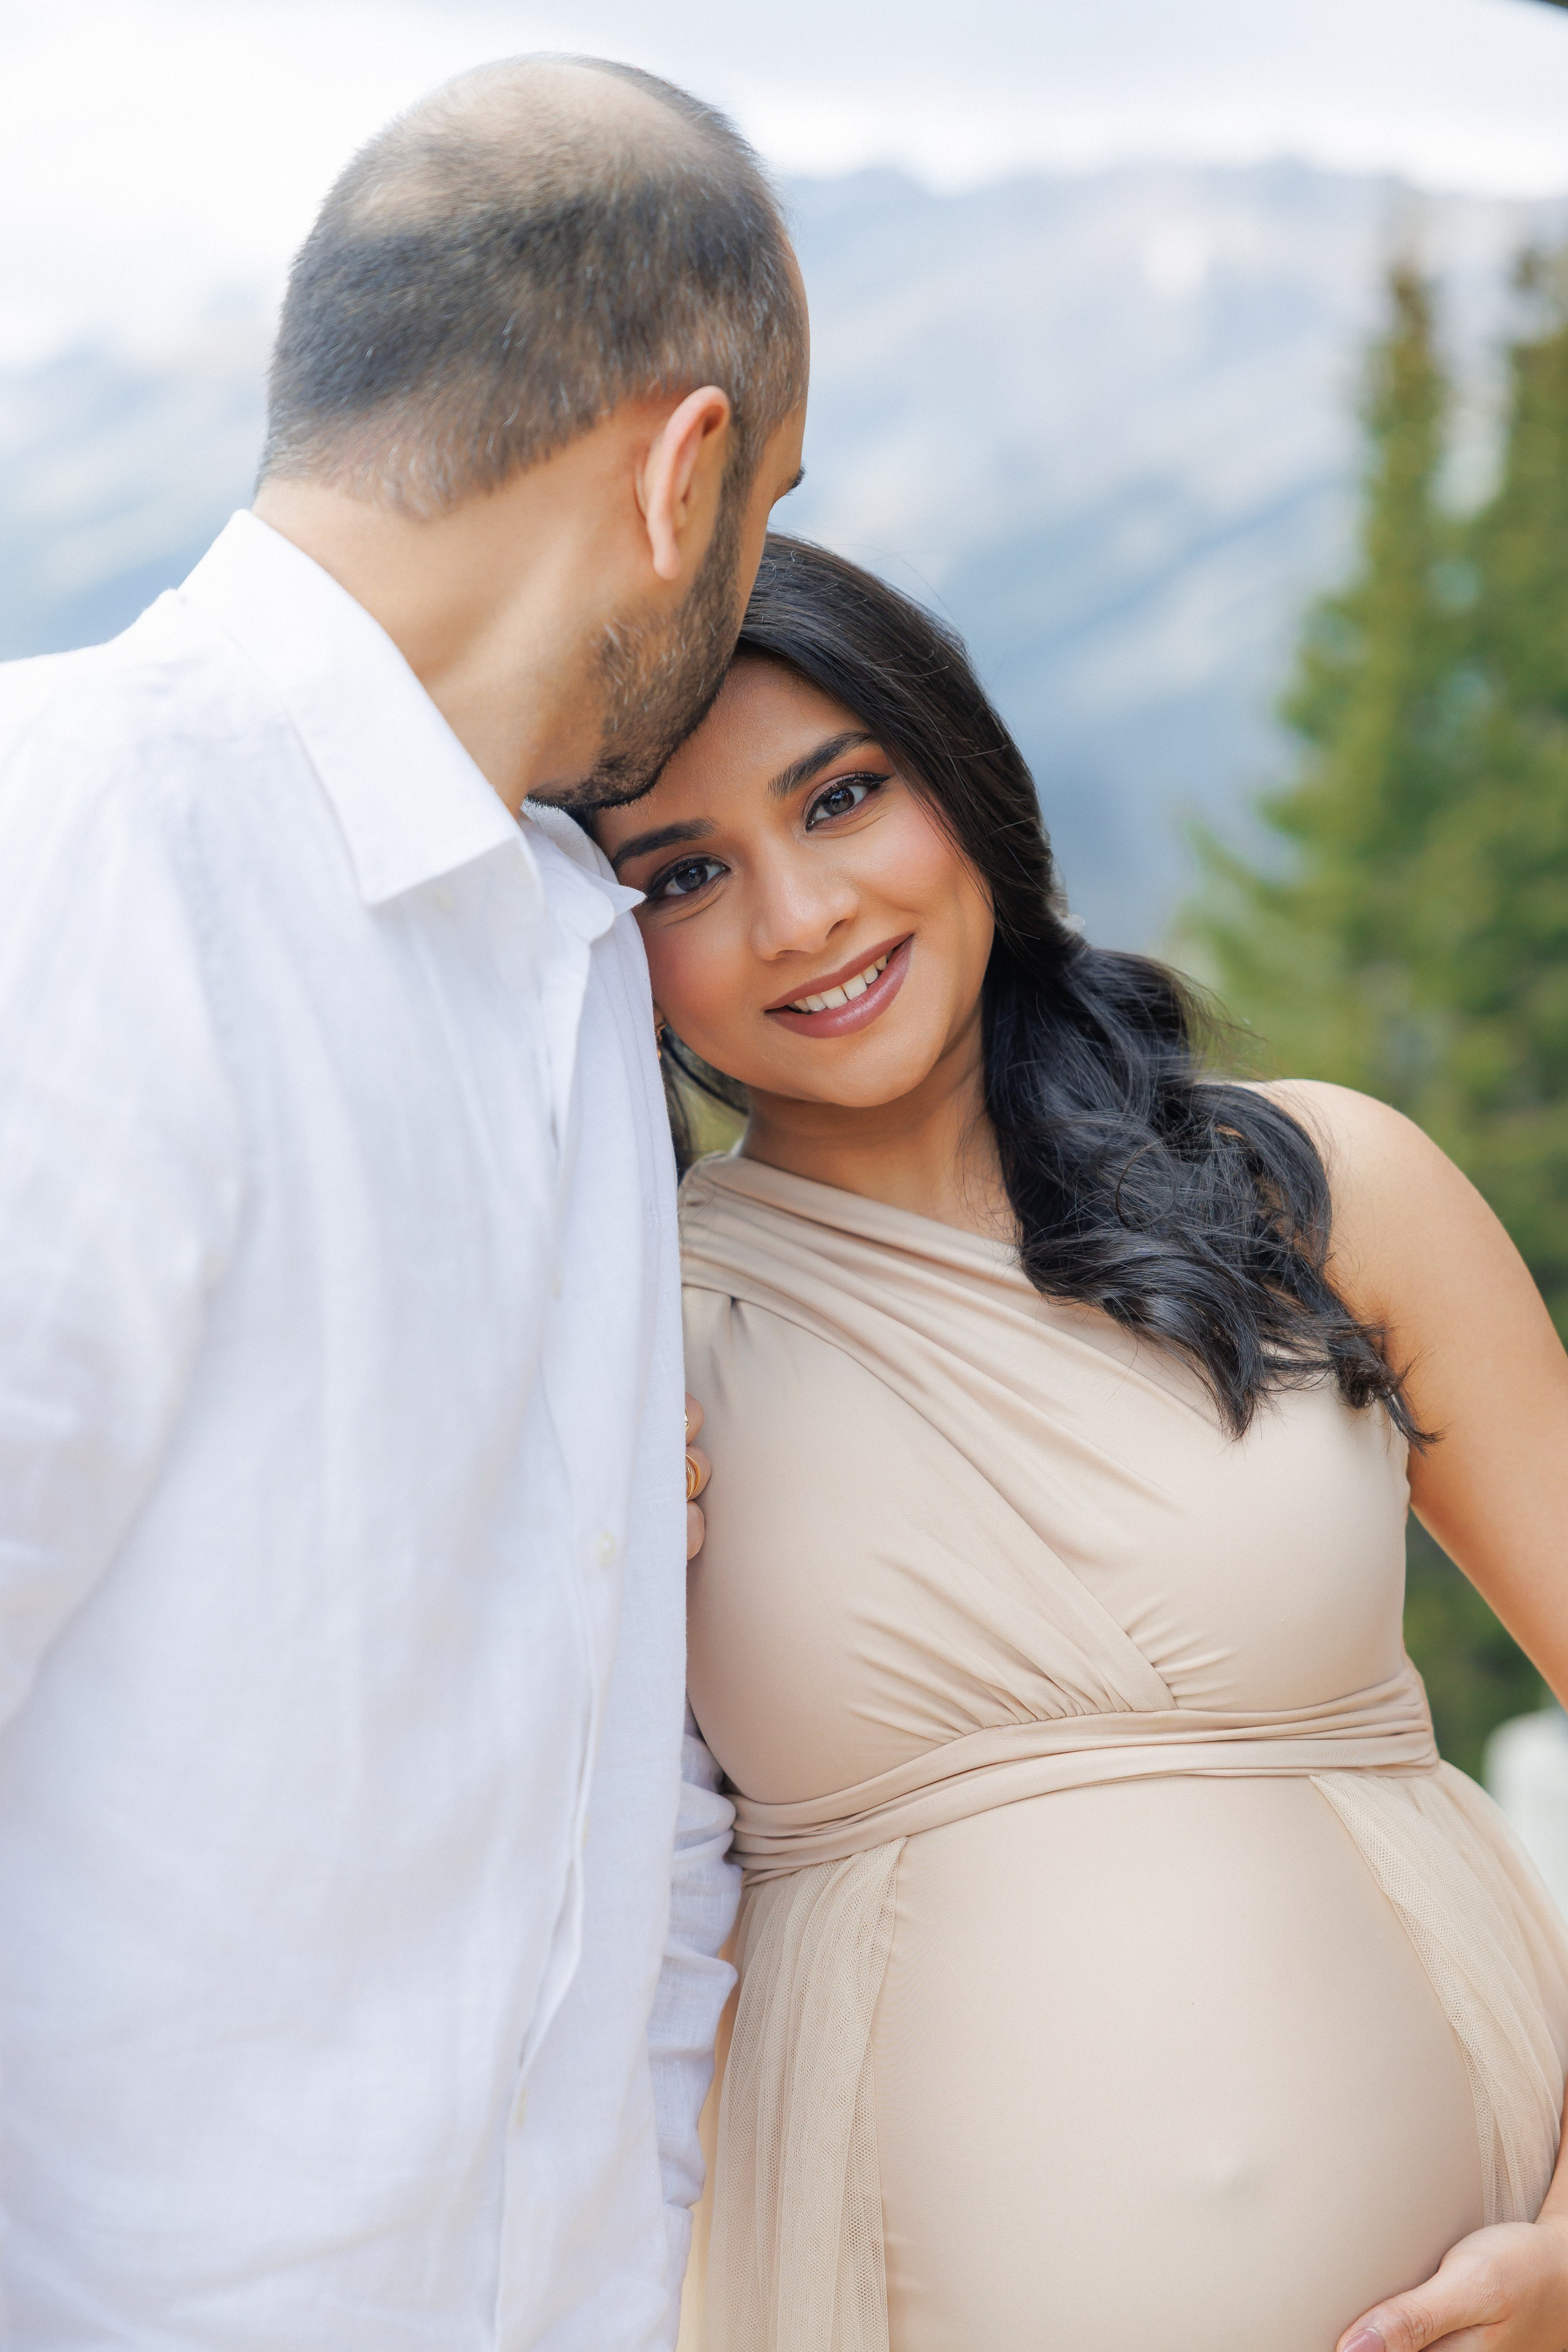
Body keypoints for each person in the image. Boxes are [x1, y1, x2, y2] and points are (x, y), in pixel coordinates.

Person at [0, 58, 806, 2350]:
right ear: (684, 475)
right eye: (773, 510)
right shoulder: (78, 844)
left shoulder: (566, 954)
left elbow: (613, 1774)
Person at [594, 536, 1568, 2352]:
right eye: (684, 876)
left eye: (844, 796)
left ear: (961, 780)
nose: (799, 915)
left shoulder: (1324, 1192)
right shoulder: (620, 1353)